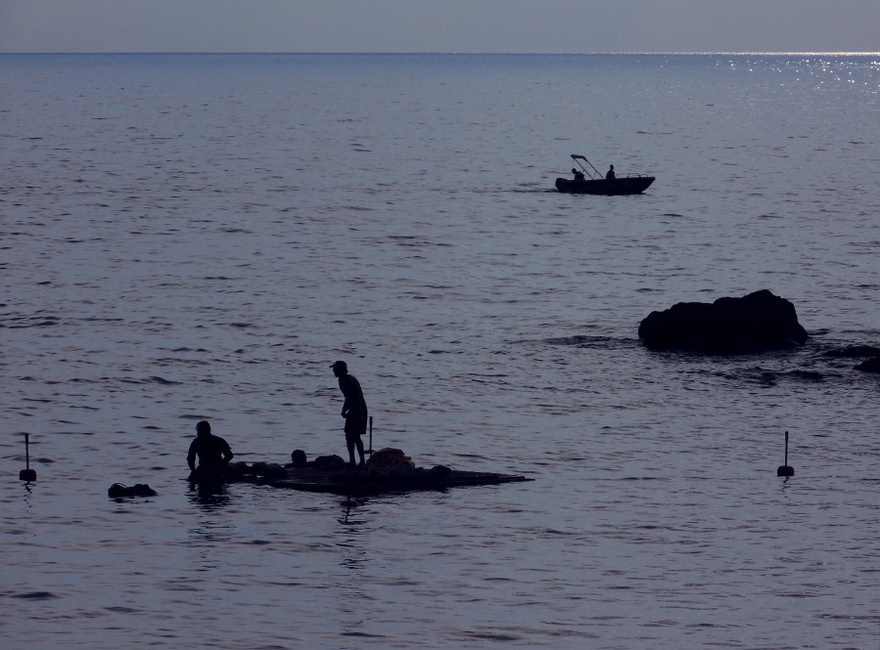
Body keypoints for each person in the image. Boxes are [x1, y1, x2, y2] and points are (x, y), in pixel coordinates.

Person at [331, 360, 368, 468]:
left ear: (340, 370)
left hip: (360, 410)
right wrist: (344, 410)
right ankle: (352, 460)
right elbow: (348, 398)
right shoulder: (341, 380)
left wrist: (354, 415)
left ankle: (362, 461)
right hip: (353, 409)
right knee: (349, 435)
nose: (333, 371)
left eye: (335, 369)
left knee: (355, 436)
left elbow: (357, 399)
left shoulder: (351, 380)